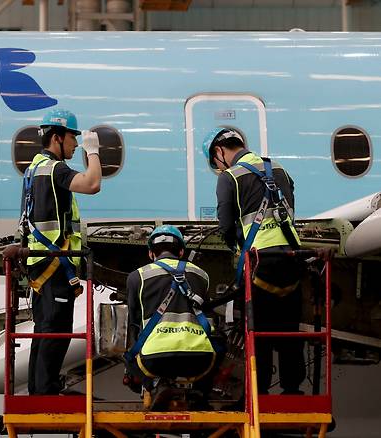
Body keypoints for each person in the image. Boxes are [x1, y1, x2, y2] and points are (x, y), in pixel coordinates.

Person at [202, 127, 305, 395]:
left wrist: (237, 243)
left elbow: (225, 225)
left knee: (259, 331)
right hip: (293, 258)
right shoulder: (279, 169)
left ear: (219, 152)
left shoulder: (230, 177)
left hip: (260, 262)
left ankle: (259, 393)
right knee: (289, 329)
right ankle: (292, 389)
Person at [20, 108, 102, 395]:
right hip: (54, 264)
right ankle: (46, 390)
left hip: (42, 264)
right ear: (56, 137)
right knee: (56, 330)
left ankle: (40, 387)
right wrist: (93, 153)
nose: (76, 144)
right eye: (72, 138)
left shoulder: (34, 168)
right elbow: (92, 184)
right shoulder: (54, 169)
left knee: (44, 330)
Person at [124, 225, 215, 408]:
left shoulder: (137, 277)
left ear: (151, 254)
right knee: (219, 343)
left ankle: (156, 385)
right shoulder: (202, 275)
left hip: (155, 360)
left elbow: (133, 322)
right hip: (198, 360)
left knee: (129, 354)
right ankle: (200, 391)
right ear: (181, 251)